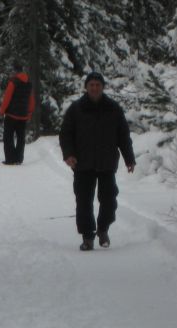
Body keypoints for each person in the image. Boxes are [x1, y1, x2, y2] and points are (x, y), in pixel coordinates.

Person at [59, 71, 136, 251]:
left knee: (109, 199)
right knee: (84, 201)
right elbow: (66, 134)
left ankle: (103, 229)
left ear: (102, 87)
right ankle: (87, 237)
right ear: (86, 87)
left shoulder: (113, 108)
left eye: (97, 85)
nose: (94, 88)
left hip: (106, 163)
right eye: (91, 85)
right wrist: (69, 154)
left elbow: (123, 136)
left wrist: (129, 158)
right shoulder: (76, 109)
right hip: (82, 163)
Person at [0, 62, 35, 165]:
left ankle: (10, 159)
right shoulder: (29, 83)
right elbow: (31, 99)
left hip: (11, 115)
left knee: (8, 137)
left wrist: (2, 111)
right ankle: (19, 158)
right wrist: (30, 112)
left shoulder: (13, 82)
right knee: (20, 138)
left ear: (15, 71)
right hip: (23, 116)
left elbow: (7, 98)